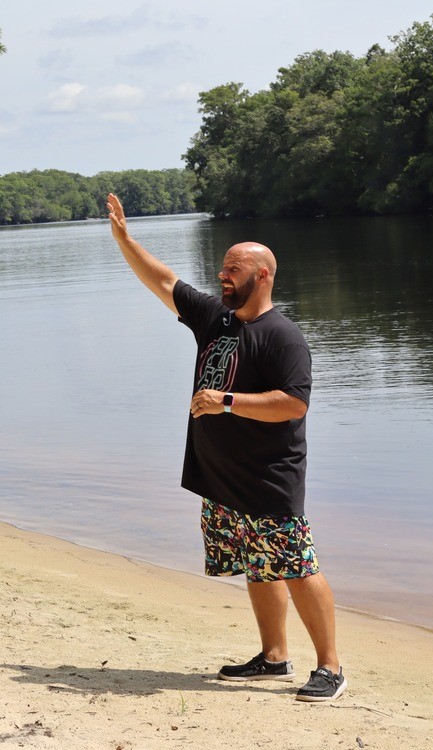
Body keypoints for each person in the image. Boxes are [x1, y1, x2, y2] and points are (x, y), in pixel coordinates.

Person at [107, 193, 347, 702]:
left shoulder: (283, 337)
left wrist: (228, 402)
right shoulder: (216, 319)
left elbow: (293, 404)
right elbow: (164, 282)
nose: (223, 276)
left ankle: (331, 668)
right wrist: (125, 240)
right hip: (221, 478)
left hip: (268, 477)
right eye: (223, 268)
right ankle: (274, 658)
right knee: (258, 565)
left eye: (233, 269)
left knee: (296, 567)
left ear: (262, 275)